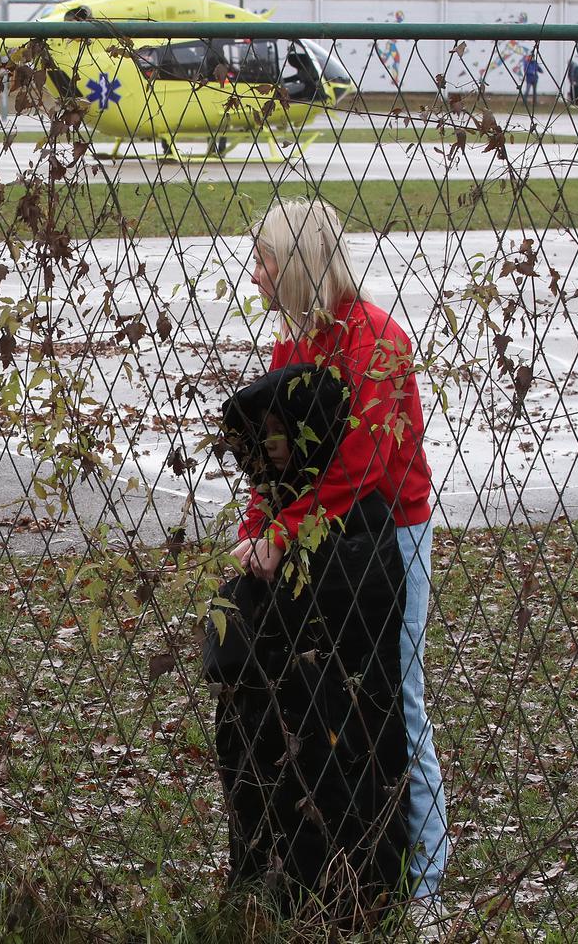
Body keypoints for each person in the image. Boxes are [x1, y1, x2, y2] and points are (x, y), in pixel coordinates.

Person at [237, 198, 447, 921]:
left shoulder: (376, 341)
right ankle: (344, 861)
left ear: (295, 266)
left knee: (399, 695)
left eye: (265, 260)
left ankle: (426, 883)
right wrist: (257, 528)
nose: (255, 274)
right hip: (319, 540)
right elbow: (273, 460)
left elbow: (361, 467)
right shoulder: (293, 347)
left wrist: (282, 533)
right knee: (321, 692)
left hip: (388, 539)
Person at [212, 362, 409, 926]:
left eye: (284, 432)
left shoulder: (354, 521)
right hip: (277, 722)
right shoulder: (276, 509)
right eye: (265, 434)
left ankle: (343, 898)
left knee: (340, 780)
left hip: (336, 718)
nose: (272, 445)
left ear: (312, 432)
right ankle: (270, 891)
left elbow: (356, 618)